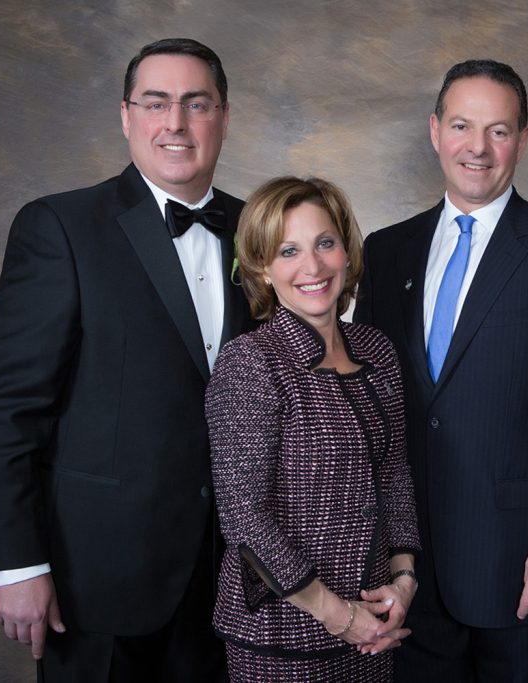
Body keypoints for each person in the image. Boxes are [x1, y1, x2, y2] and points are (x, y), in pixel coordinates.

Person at [0, 38, 253, 681]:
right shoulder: (61, 227)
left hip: (231, 584)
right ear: (126, 117)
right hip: (96, 580)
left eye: (195, 103)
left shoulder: (261, 233)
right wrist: (17, 563)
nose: (175, 123)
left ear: (224, 117)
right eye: (156, 103)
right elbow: (6, 408)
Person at [354, 60, 528, 682]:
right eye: (462, 126)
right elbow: (371, 407)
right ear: (435, 130)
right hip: (405, 564)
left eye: (498, 131)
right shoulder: (387, 251)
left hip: (518, 565)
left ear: (523, 139)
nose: (478, 147)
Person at [205, 176, 420, 681]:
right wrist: (338, 616)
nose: (313, 266)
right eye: (288, 251)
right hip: (285, 636)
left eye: (325, 242)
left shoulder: (378, 352)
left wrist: (404, 578)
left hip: (373, 627)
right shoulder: (251, 363)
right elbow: (245, 520)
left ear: (345, 248)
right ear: (262, 266)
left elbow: (394, 477)